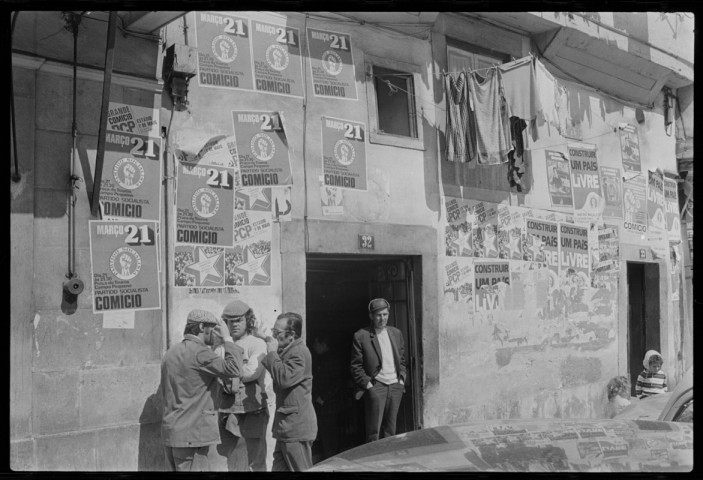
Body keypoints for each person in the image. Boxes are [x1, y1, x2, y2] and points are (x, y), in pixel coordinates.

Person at [160, 309, 244, 472]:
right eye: (214, 328)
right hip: (192, 435)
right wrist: (227, 338)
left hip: (172, 434)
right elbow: (235, 369)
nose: (215, 333)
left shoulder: (171, 352)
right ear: (201, 327)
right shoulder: (201, 353)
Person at [211, 300, 269, 471]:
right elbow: (216, 369)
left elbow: (252, 372)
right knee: (228, 458)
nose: (234, 324)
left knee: (256, 460)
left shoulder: (256, 343)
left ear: (248, 321)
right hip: (228, 409)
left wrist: (228, 371)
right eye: (230, 321)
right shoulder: (221, 347)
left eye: (239, 320)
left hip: (252, 409)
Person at [261, 312, 317, 471]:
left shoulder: (299, 352)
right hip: (286, 428)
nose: (274, 336)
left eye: (277, 333)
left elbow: (284, 378)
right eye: (273, 332)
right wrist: (264, 337)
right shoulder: (288, 348)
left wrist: (271, 353)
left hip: (295, 428)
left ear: (291, 335)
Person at [350, 298, 407, 443]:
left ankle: (389, 461)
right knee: (373, 431)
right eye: (378, 315)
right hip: (377, 386)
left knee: (391, 429)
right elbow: (355, 366)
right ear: (371, 316)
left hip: (395, 386)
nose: (382, 318)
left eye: (385, 314)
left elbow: (401, 360)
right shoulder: (361, 336)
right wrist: (369, 385)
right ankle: (373, 462)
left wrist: (401, 379)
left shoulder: (396, 333)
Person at [311, 333, 347, 460]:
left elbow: (337, 382)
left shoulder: (332, 360)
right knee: (324, 434)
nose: (314, 346)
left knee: (330, 435)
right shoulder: (317, 359)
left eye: (316, 343)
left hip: (330, 405)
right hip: (320, 403)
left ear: (324, 345)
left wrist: (324, 397)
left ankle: (332, 460)